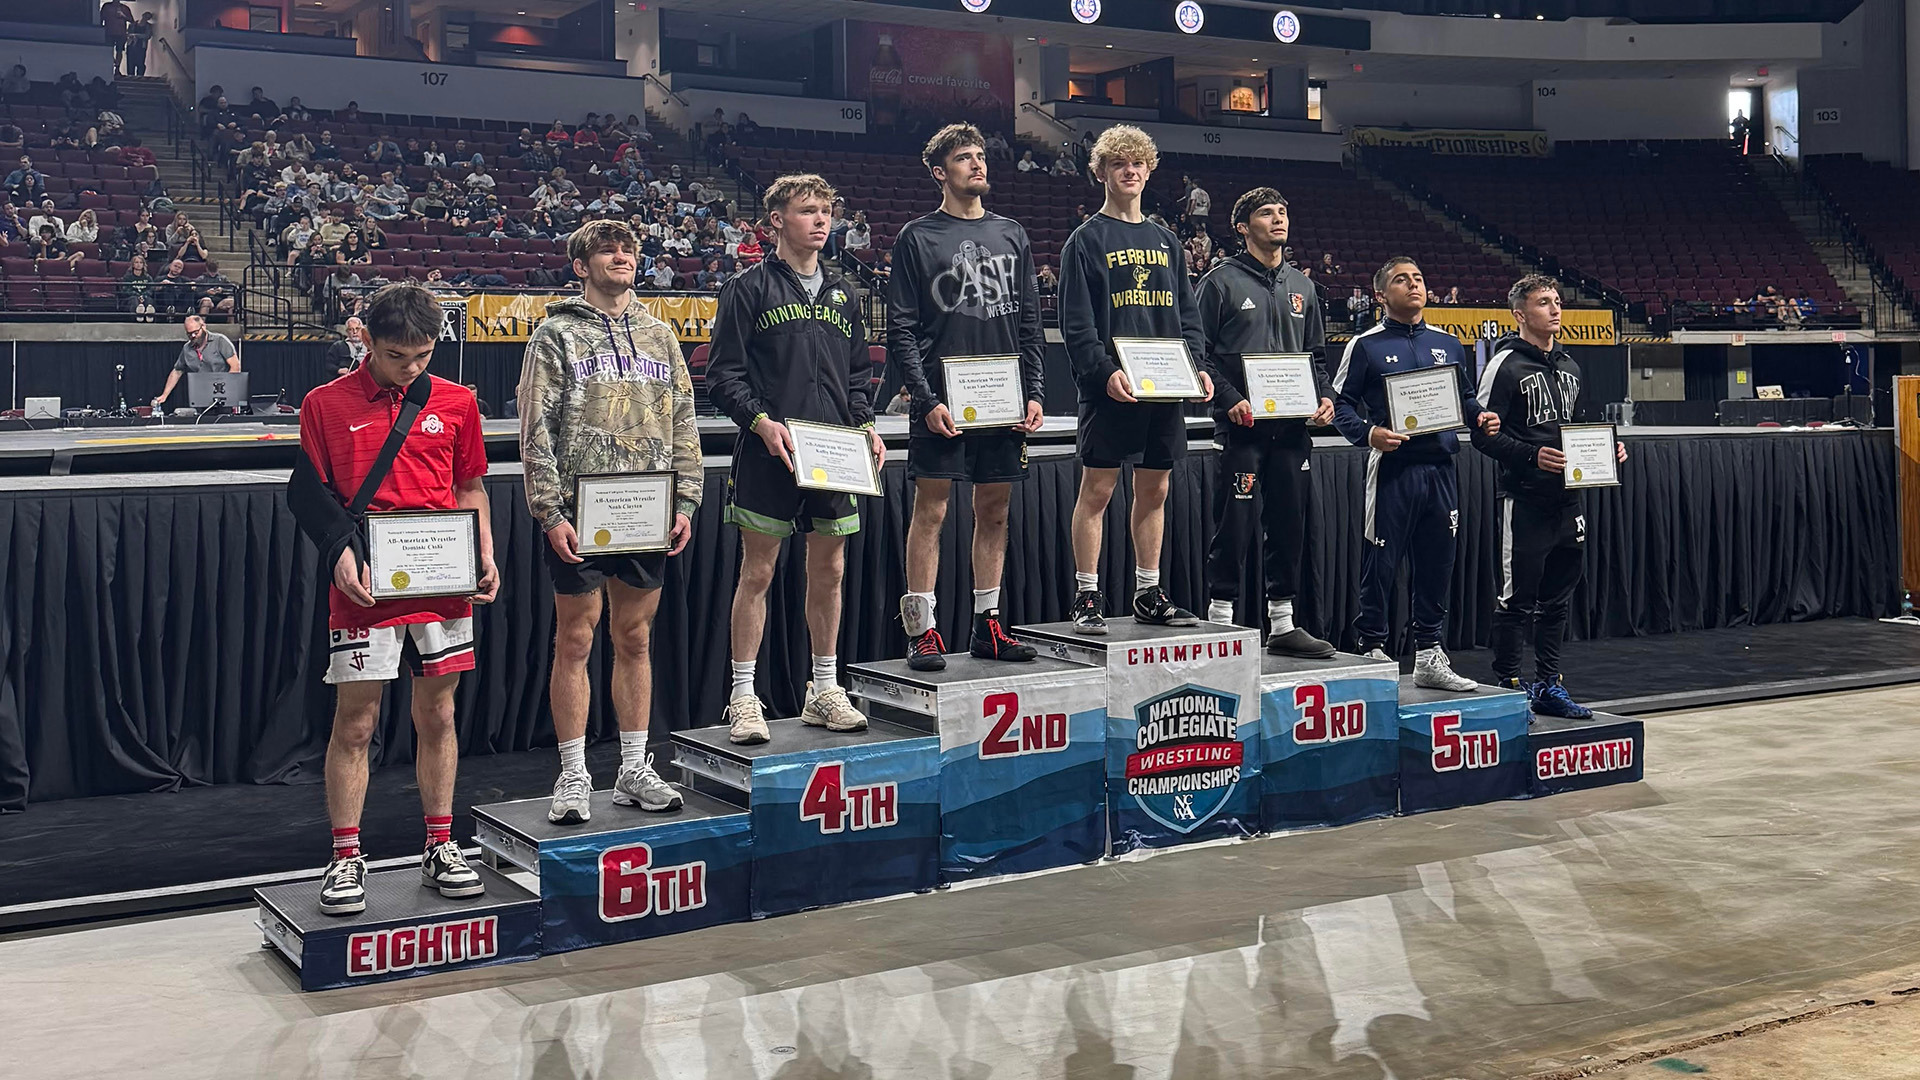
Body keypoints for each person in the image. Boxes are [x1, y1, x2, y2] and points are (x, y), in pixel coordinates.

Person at [288, 283, 498, 917]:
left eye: (423, 355)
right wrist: (337, 554)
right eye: (396, 355)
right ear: (365, 341)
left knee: (438, 717)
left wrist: (485, 552)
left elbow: (470, 486)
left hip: (441, 583)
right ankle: (346, 855)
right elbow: (311, 494)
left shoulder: (458, 402)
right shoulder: (324, 404)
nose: (411, 367)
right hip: (367, 582)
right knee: (356, 723)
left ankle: (440, 844)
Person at [518, 219, 702, 825]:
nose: (622, 255)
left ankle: (632, 767)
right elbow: (535, 428)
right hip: (580, 510)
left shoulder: (659, 335)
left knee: (636, 638)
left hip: (647, 507)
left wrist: (687, 500)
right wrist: (548, 509)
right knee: (575, 637)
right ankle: (573, 774)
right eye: (607, 249)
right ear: (581, 265)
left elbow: (683, 420)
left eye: (629, 247)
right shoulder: (555, 334)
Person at [705, 173, 880, 744]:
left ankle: (823, 689)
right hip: (768, 453)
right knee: (757, 572)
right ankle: (743, 695)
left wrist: (866, 426)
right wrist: (760, 423)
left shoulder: (845, 293)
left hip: (834, 453)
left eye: (826, 210)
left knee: (829, 571)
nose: (822, 220)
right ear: (775, 221)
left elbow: (859, 374)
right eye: (808, 210)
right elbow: (722, 376)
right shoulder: (746, 288)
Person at [889, 123, 1045, 669]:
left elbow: (1029, 322)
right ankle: (922, 628)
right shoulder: (917, 236)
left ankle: (987, 625)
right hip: (943, 402)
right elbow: (902, 330)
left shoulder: (1012, 233)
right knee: (931, 511)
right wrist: (925, 398)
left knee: (994, 511)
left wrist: (1035, 391)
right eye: (963, 158)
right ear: (940, 172)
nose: (977, 165)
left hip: (1004, 401)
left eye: (981, 156)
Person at [1059, 125, 1214, 634]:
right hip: (1111, 389)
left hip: (1163, 388)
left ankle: (1148, 590)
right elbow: (1077, 324)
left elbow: (1188, 317)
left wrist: (1197, 369)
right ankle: (1086, 595)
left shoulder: (1167, 240)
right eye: (1119, 163)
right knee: (1098, 491)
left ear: (1149, 171)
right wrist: (1103, 373)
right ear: (1100, 172)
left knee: (1156, 490)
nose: (1130, 171)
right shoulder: (1085, 240)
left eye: (1138, 163)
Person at [1330, 257, 1499, 688]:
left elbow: (1463, 397)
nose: (1414, 285)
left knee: (1437, 564)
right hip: (1393, 468)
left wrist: (1479, 416)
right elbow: (1340, 406)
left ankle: (1428, 655)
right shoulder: (1364, 345)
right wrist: (1369, 434)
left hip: (1441, 469)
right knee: (1381, 562)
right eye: (1402, 280)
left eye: (1419, 278)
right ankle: (1371, 647)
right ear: (1380, 295)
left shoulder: (1448, 342)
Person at [1471, 275, 1627, 718]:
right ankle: (1507, 686)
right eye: (1544, 303)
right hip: (1523, 499)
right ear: (1520, 313)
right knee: (1515, 599)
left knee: (1557, 599)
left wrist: (1609, 450)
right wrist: (1530, 456)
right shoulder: (1503, 366)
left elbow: (1579, 432)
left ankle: (1549, 684)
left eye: (1558, 301)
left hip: (1568, 502)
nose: (1555, 309)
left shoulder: (1572, 367)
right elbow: (1481, 437)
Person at [1196, 187, 1337, 658]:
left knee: (1289, 524)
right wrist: (1231, 398)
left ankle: (1282, 624)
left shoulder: (1304, 286)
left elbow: (1317, 356)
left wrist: (1325, 396)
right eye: (1265, 213)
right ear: (1242, 227)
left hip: (1292, 432)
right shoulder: (1219, 282)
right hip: (1241, 429)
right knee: (1234, 526)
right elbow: (1200, 353)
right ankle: (1221, 622)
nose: (1278, 219)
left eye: (1283, 210)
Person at [150, 315, 239, 408]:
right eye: (189, 334)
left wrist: (227, 392)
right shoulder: (187, 348)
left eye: (196, 332)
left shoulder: (220, 341)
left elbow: (235, 366)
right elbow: (177, 371)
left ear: (203, 326)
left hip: (223, 394)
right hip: (201, 396)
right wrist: (164, 395)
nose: (193, 336)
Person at [101, 0, 134, 74]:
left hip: (121, 33)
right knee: (108, 50)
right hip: (109, 32)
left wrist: (123, 16)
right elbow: (101, 18)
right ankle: (110, 66)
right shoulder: (107, 6)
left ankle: (117, 68)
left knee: (119, 51)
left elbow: (131, 20)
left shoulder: (125, 8)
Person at [119, 253, 155, 320]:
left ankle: (149, 317)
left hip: (145, 297)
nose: (139, 264)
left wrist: (143, 296)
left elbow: (151, 289)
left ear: (143, 264)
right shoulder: (127, 277)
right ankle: (137, 318)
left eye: (141, 262)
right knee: (134, 299)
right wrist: (138, 296)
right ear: (133, 264)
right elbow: (126, 290)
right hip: (131, 299)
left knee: (149, 300)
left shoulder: (148, 277)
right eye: (136, 262)